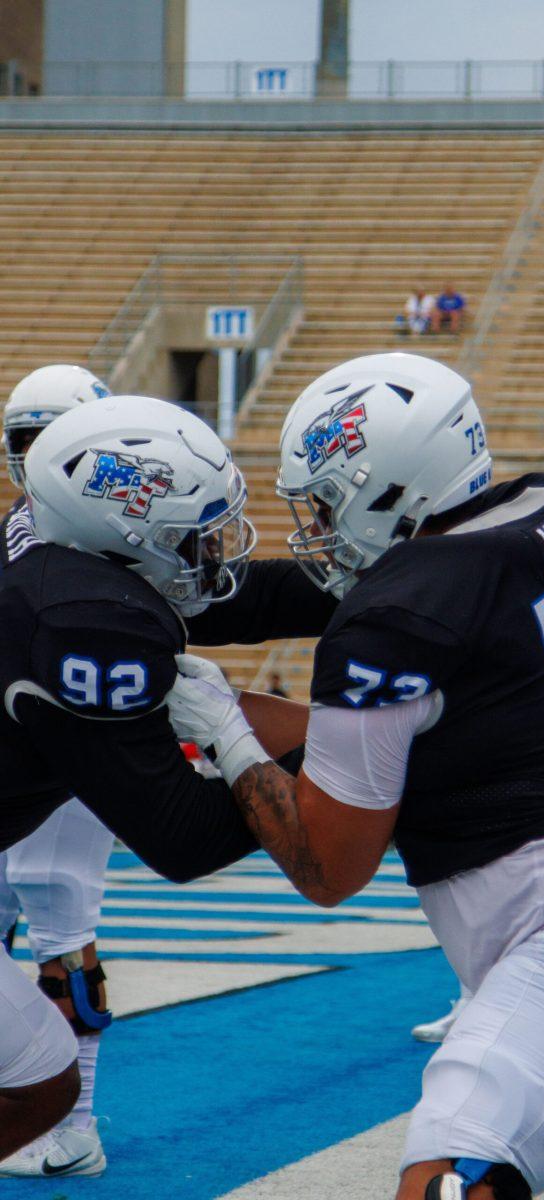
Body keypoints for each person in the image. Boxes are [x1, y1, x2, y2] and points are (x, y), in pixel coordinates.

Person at [165, 352, 544, 1200]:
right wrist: (219, 688)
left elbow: (329, 867)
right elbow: (432, 729)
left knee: (452, 1176)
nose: (321, 528)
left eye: (331, 503)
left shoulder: (399, 617)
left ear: (392, 490)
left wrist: (230, 739)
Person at [0, 392, 333, 1163]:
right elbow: (182, 839)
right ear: (126, 536)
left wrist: (378, 587)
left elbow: (239, 598)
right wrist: (277, 744)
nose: (214, 551)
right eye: (194, 535)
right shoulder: (85, 623)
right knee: (39, 1079)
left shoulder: (63, 560)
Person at [0, 365, 116, 1177]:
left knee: (63, 929)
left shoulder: (108, 533)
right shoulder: (23, 521)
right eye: (28, 442)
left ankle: (74, 1124)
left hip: (71, 753)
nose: (39, 458)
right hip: (20, 749)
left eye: (56, 441)